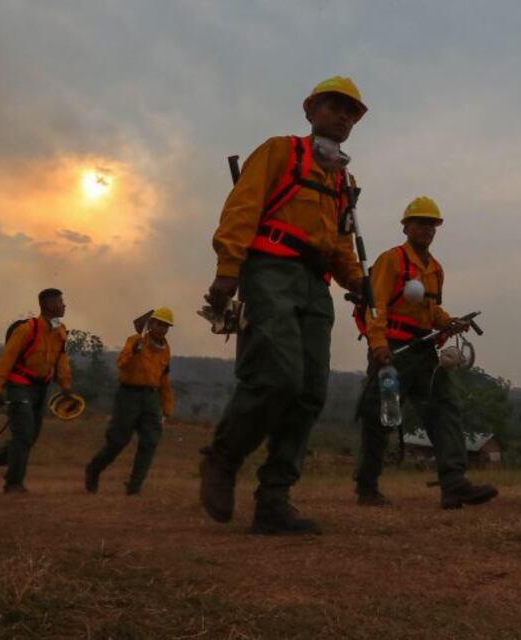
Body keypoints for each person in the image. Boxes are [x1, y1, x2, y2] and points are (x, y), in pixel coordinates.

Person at [199, 76, 368, 535]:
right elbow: (243, 207)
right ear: (311, 109)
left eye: (351, 113)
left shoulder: (342, 179)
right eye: (335, 107)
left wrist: (355, 280)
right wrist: (227, 269)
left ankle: (274, 499)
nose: (343, 117)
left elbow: (340, 241)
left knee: (310, 390)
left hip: (317, 283)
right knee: (277, 375)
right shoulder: (280, 151)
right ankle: (223, 457)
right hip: (270, 269)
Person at [354, 197, 498, 509]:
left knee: (445, 410)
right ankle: (367, 487)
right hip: (392, 353)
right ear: (406, 226)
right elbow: (375, 305)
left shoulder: (435, 269)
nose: (427, 229)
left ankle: (454, 485)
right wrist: (378, 346)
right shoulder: (391, 261)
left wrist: (449, 322)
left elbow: (429, 309)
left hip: (424, 354)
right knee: (380, 419)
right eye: (420, 223)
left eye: (431, 224)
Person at [0, 288, 73, 493]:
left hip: (41, 387)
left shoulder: (60, 330)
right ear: (47, 305)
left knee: (30, 437)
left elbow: (61, 359)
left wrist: (65, 385)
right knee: (24, 435)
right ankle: (13, 483)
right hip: (19, 385)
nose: (64, 305)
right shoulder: (27, 329)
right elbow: (6, 359)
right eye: (59, 301)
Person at [84, 307, 175, 496]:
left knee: (150, 441)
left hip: (151, 397)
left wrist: (166, 407)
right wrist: (134, 351)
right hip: (128, 395)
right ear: (150, 324)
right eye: (159, 324)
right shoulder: (134, 341)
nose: (163, 329)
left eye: (166, 326)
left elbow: (164, 380)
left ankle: (134, 487)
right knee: (118, 441)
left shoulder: (166, 350)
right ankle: (94, 469)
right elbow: (120, 363)